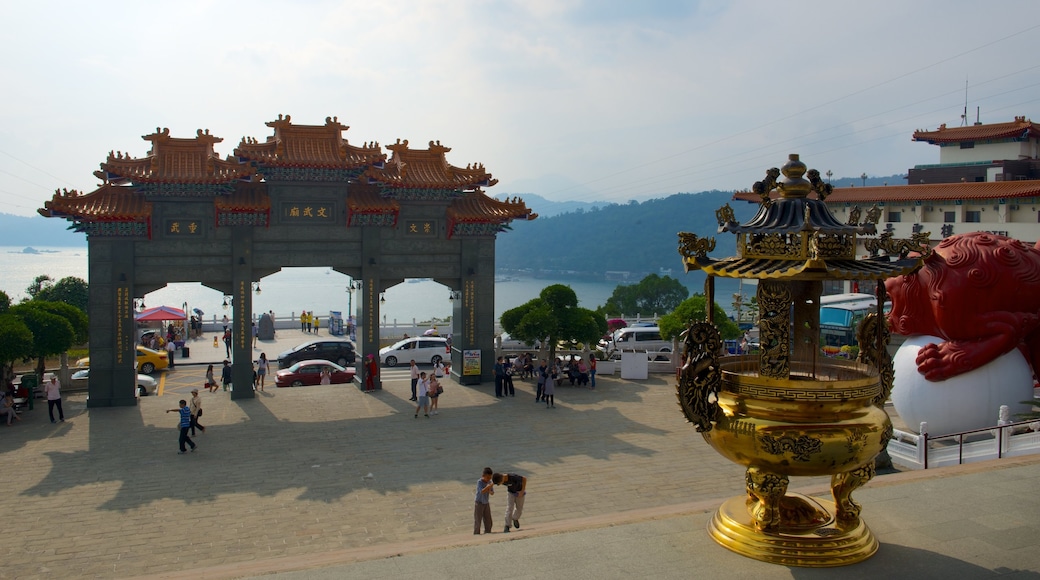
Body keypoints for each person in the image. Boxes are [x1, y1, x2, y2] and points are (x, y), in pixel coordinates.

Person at [473, 467, 494, 535]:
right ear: (483, 476)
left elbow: (492, 493)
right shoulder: (479, 482)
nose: (488, 479)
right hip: (479, 502)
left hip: (486, 502)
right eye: (487, 477)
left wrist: (490, 489)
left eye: (490, 477)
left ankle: (488, 531)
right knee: (478, 519)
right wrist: (487, 487)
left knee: (488, 519)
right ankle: (476, 533)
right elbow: (481, 491)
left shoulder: (490, 482)